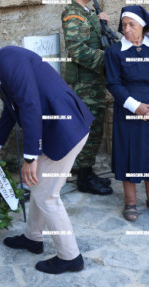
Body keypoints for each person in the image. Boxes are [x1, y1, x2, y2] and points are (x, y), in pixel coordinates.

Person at [0, 34, 95, 274]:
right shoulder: (4, 63)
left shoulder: (8, 59)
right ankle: (33, 238)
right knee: (39, 187)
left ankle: (70, 256)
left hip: (65, 130)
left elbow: (30, 106)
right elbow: (11, 112)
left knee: (47, 196)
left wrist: (30, 157)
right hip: (60, 128)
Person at [62, 0, 113, 195]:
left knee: (96, 129)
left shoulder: (88, 12)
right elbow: (77, 51)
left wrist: (104, 23)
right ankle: (84, 178)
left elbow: (101, 41)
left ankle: (88, 172)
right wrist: (109, 60)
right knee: (88, 131)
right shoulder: (73, 14)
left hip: (95, 82)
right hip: (84, 85)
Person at [105, 5, 149, 222]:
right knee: (129, 152)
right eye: (124, 25)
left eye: (132, 24)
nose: (128, 29)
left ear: (142, 25)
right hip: (128, 108)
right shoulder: (114, 52)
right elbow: (113, 83)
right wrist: (136, 106)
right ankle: (130, 202)